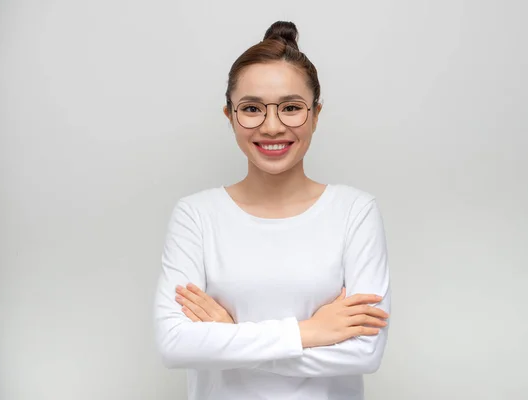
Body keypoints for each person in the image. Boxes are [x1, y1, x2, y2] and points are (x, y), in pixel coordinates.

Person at [154, 20, 391, 400]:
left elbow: (364, 352)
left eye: (291, 108)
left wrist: (227, 336)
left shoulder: (355, 211)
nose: (273, 126)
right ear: (230, 116)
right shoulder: (195, 216)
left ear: (316, 114)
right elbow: (175, 343)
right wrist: (308, 332)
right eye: (251, 108)